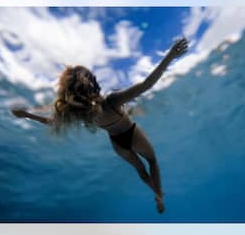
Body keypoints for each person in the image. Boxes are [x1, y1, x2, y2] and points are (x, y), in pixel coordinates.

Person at [12, 37, 188, 213]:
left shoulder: (82, 114)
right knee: (152, 160)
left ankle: (158, 194)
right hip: (131, 133)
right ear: (94, 83)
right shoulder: (112, 100)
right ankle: (158, 194)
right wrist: (170, 56)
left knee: (141, 170)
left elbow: (52, 122)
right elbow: (147, 84)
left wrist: (27, 115)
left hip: (117, 144)